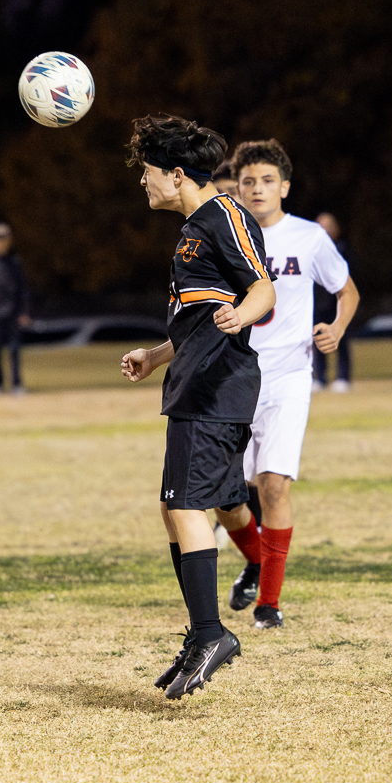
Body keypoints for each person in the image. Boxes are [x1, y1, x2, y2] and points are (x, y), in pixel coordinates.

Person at [119, 115, 275, 700]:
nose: (144, 183)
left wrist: (246, 313)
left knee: (188, 508)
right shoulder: (194, 228)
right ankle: (201, 632)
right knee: (175, 510)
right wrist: (158, 355)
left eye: (148, 172)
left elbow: (263, 285)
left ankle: (213, 633)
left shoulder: (226, 215)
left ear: (177, 174)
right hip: (191, 382)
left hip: (217, 386)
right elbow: (200, 313)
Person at [209, 139, 359, 629]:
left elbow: (346, 289)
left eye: (267, 181)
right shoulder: (225, 234)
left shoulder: (309, 237)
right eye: (248, 181)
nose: (256, 189)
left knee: (273, 486)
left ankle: (268, 604)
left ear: (285, 187)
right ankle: (255, 559)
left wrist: (336, 327)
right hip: (233, 375)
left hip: (290, 376)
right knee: (224, 494)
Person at [0, 221, 32, 394]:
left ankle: (17, 384)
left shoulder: (14, 262)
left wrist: (24, 311)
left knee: (15, 350)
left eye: (4, 238)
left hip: (13, 313)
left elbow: (23, 288)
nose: (1, 242)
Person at [311, 213, 354, 393]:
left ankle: (343, 378)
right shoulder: (310, 251)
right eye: (321, 225)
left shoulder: (342, 249)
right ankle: (320, 378)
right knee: (318, 340)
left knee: (341, 340)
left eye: (329, 225)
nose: (325, 229)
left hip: (337, 303)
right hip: (317, 303)